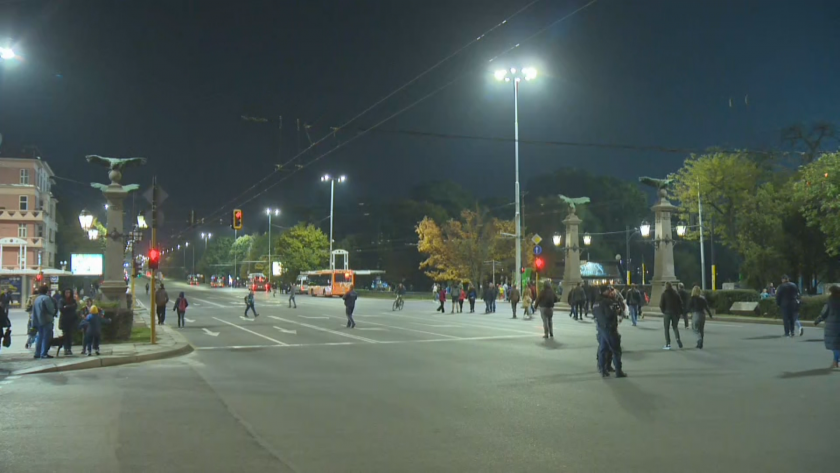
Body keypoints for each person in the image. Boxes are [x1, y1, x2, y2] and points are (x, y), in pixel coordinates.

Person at [594, 286, 627, 378]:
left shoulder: (596, 302)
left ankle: (602, 369)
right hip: (609, 328)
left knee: (603, 349)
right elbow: (610, 314)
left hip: (601, 328)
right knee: (616, 350)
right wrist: (616, 311)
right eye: (609, 290)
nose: (610, 292)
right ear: (605, 291)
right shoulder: (607, 302)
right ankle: (618, 371)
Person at [813, 285, 840, 369]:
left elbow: (824, 312)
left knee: (835, 345)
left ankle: (836, 361)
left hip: (832, 326)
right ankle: (835, 361)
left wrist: (817, 320)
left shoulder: (830, 300)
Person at [32, 284, 56, 359]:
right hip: (47, 320)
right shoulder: (46, 299)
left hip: (39, 321)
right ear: (46, 290)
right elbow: (51, 310)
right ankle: (44, 353)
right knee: (46, 337)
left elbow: (34, 311)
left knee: (39, 337)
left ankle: (37, 353)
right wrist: (54, 312)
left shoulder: (37, 299)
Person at [659, 282, 684, 350]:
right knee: (675, 327)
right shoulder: (676, 294)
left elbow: (661, 304)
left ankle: (668, 343)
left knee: (666, 328)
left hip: (667, 313)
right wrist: (679, 312)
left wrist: (663, 311)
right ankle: (677, 339)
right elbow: (680, 303)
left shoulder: (664, 294)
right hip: (675, 313)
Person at [58, 289, 79, 355]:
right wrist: (69, 307)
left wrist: (67, 307)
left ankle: (69, 348)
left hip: (71, 321)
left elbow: (75, 307)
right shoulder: (62, 300)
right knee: (65, 335)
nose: (68, 294)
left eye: (69, 292)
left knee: (70, 335)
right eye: (66, 292)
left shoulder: (73, 300)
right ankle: (66, 348)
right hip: (64, 321)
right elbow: (61, 309)